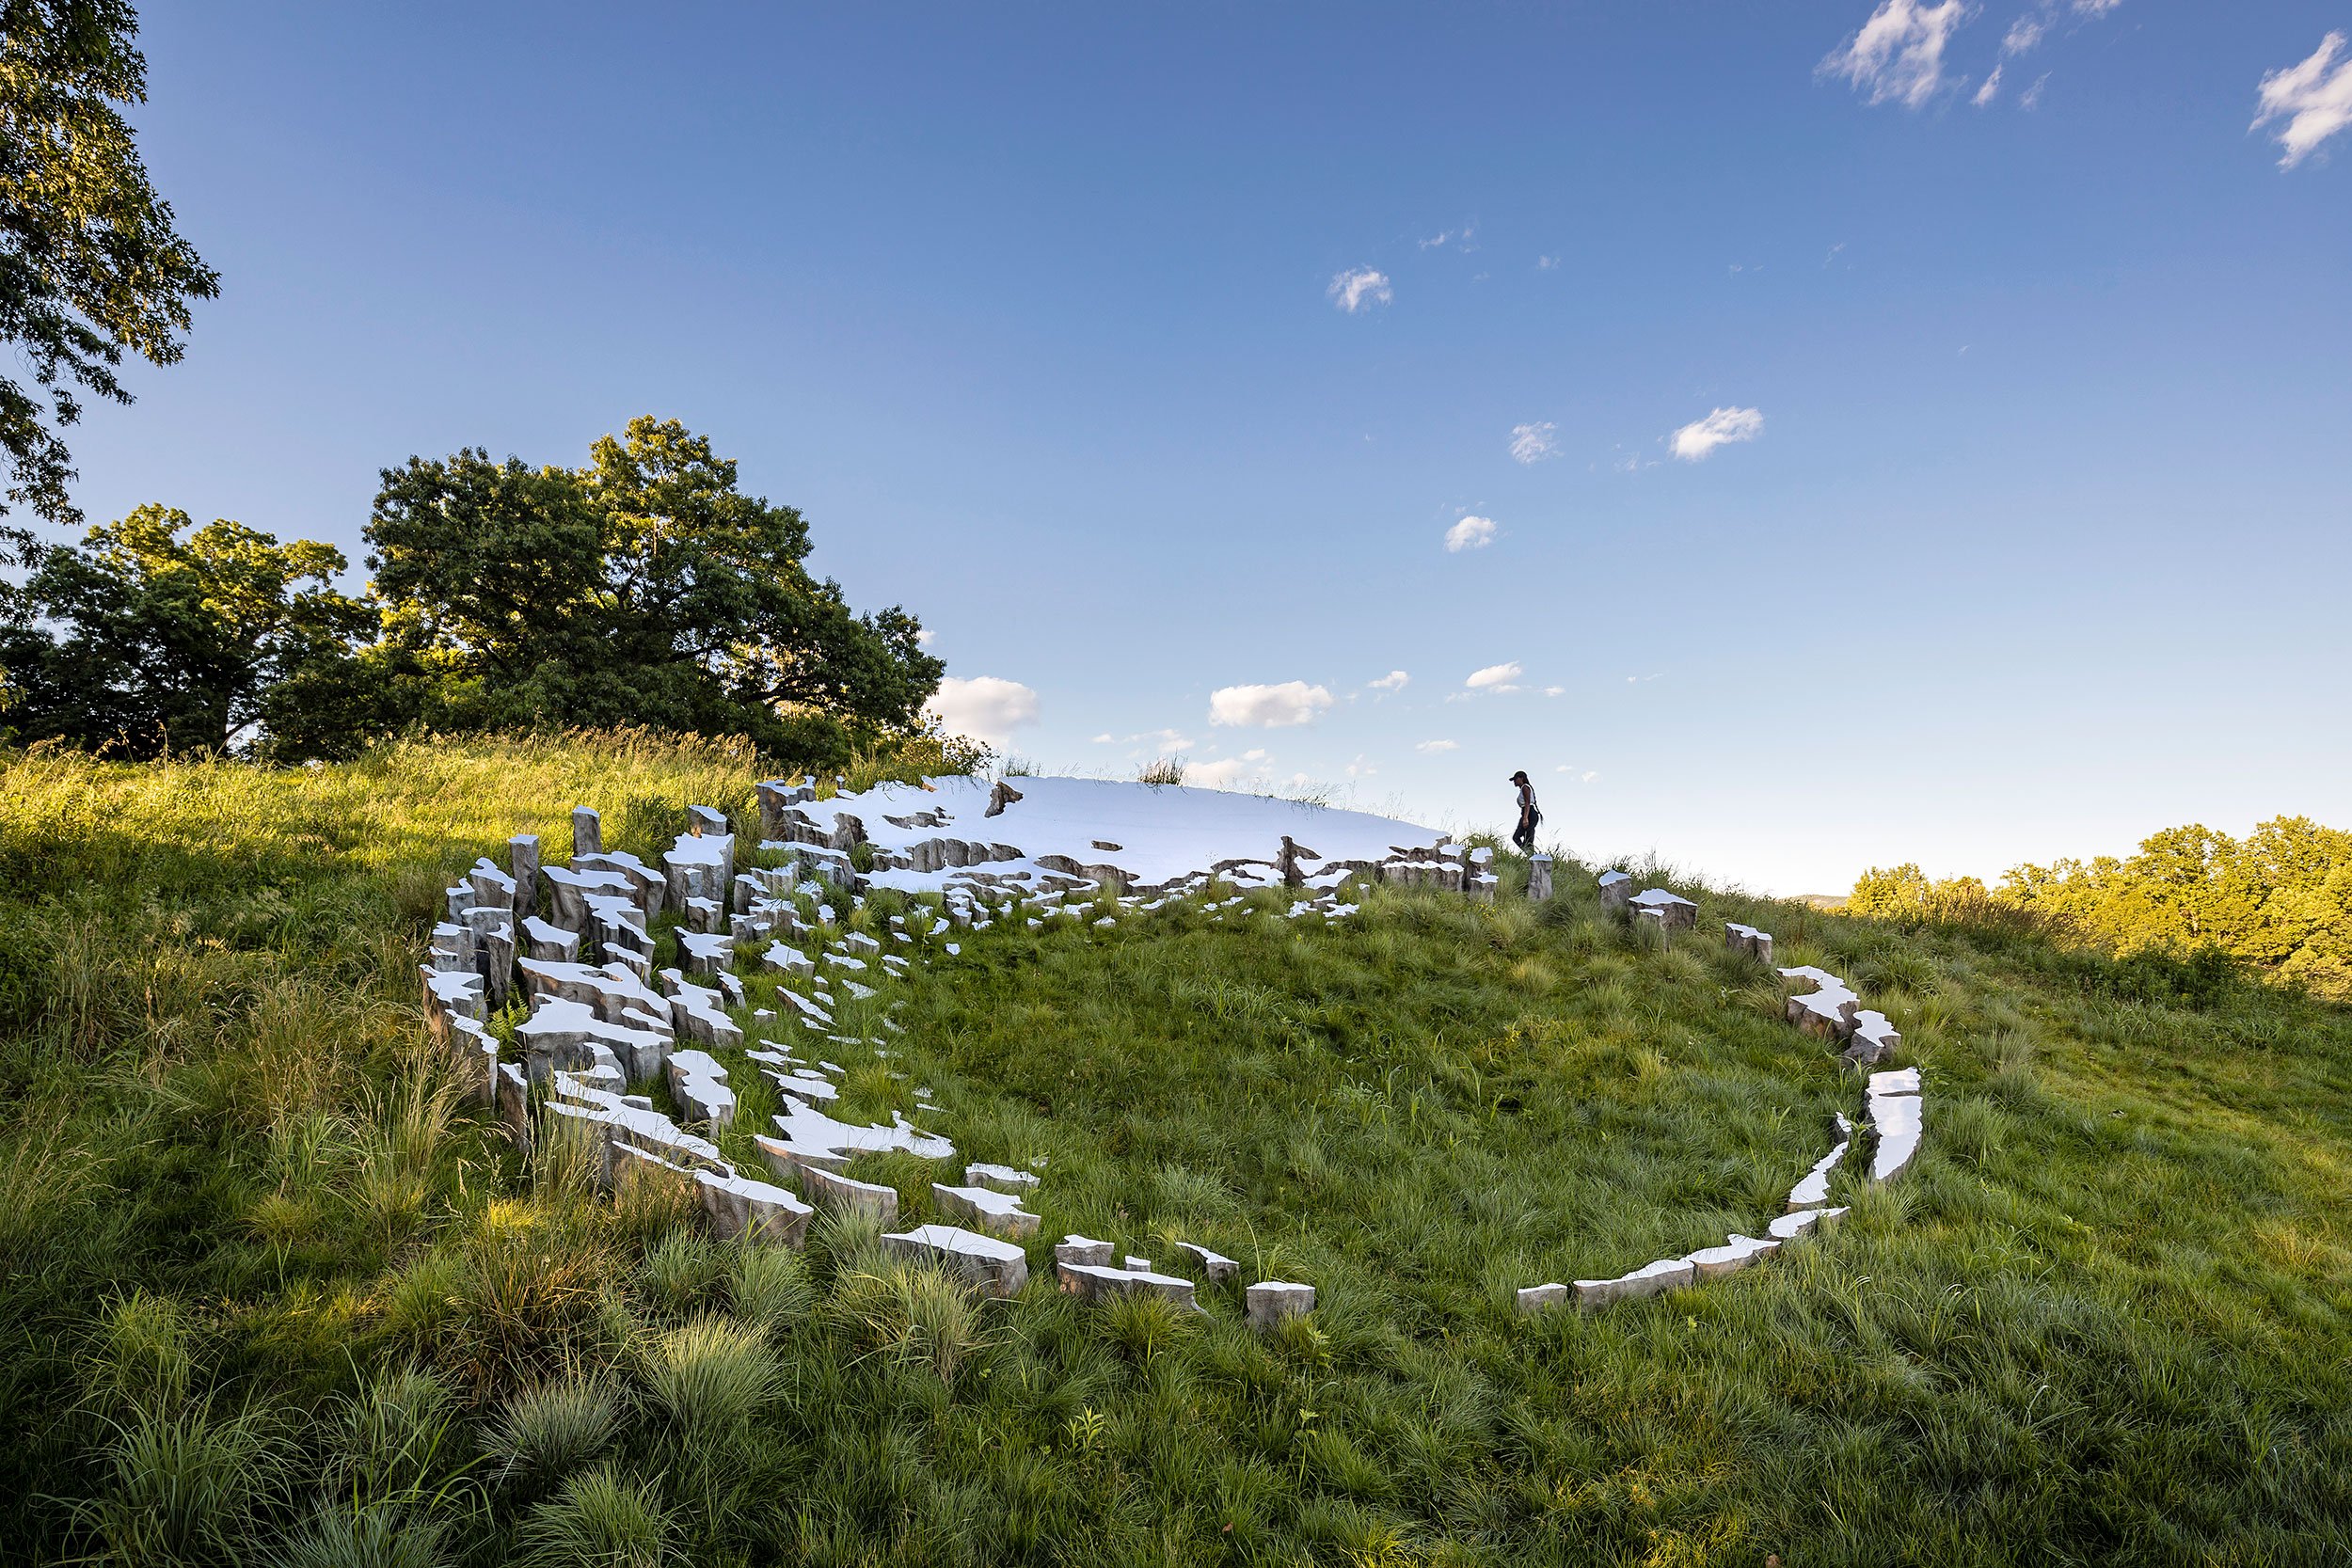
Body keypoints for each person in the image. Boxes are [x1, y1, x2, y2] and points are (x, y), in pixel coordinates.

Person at [1509, 770, 1540, 853]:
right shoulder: (1523, 789)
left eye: (1516, 779)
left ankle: (1532, 856)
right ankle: (1530, 854)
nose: (1514, 781)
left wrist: (1525, 818)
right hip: (1527, 813)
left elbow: (1527, 802)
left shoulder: (1525, 787)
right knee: (1517, 837)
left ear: (1521, 778)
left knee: (1528, 838)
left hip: (1530, 813)